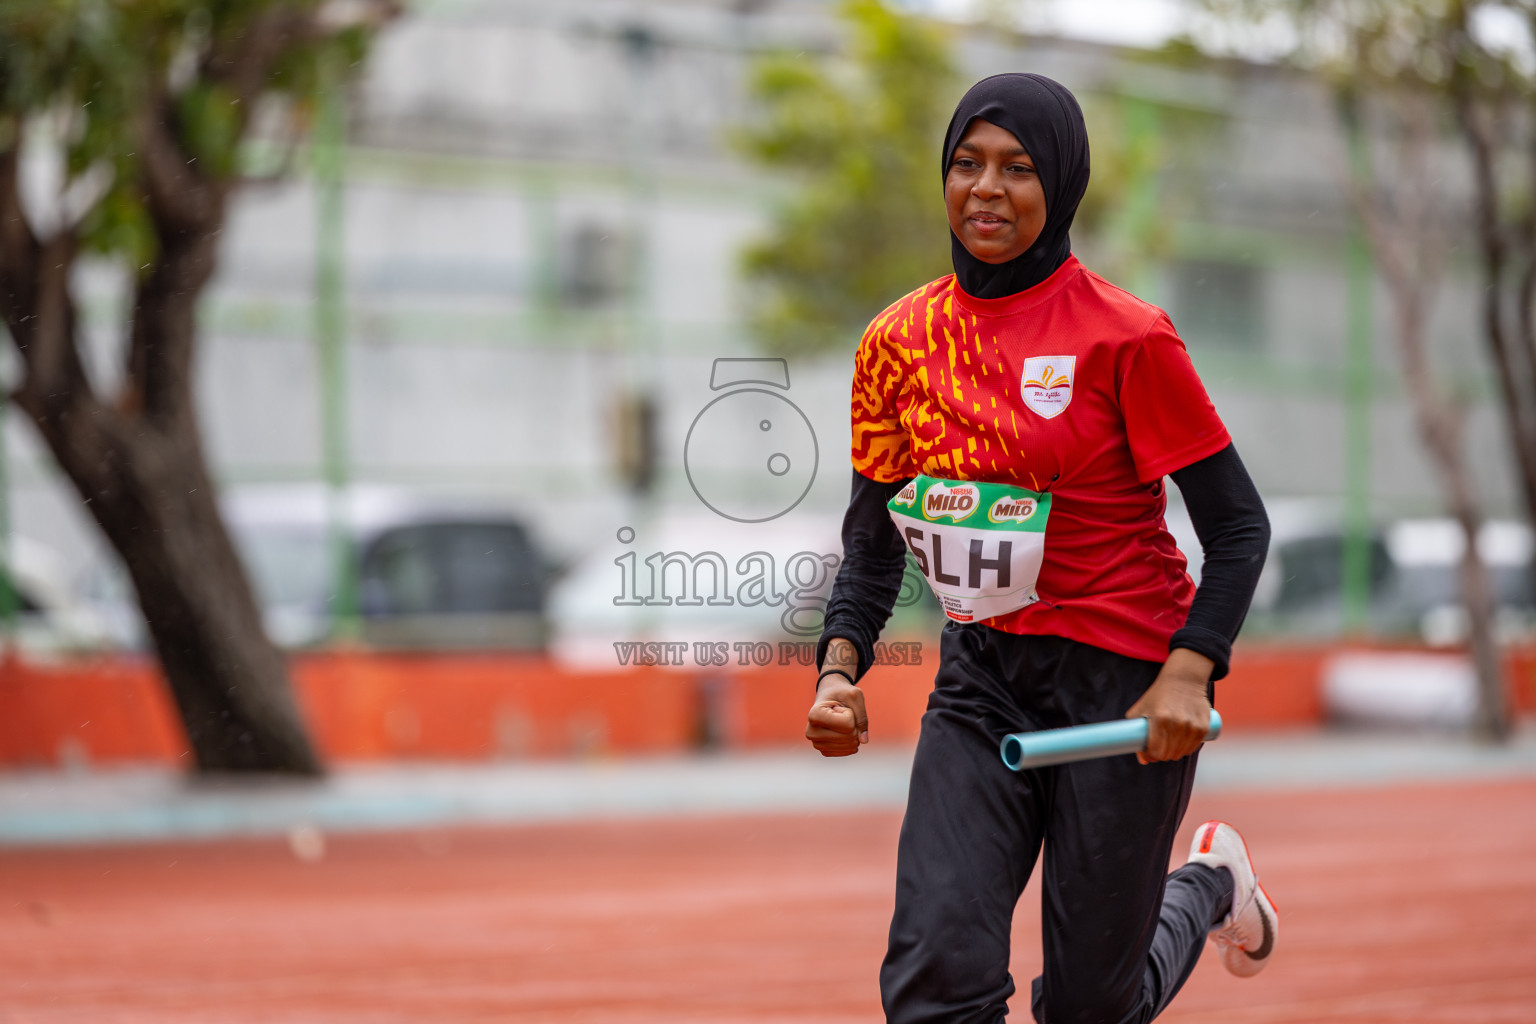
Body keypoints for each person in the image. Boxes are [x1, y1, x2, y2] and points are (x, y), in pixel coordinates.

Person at [804, 74, 1278, 1024]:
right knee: (934, 983)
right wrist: (838, 668)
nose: (987, 188)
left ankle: (1211, 887)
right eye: (966, 164)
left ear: (1060, 185)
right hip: (983, 682)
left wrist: (1190, 671)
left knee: (1089, 1011)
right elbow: (871, 537)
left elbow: (1237, 527)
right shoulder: (898, 342)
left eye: (1018, 168)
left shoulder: (1127, 337)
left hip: (1125, 685)